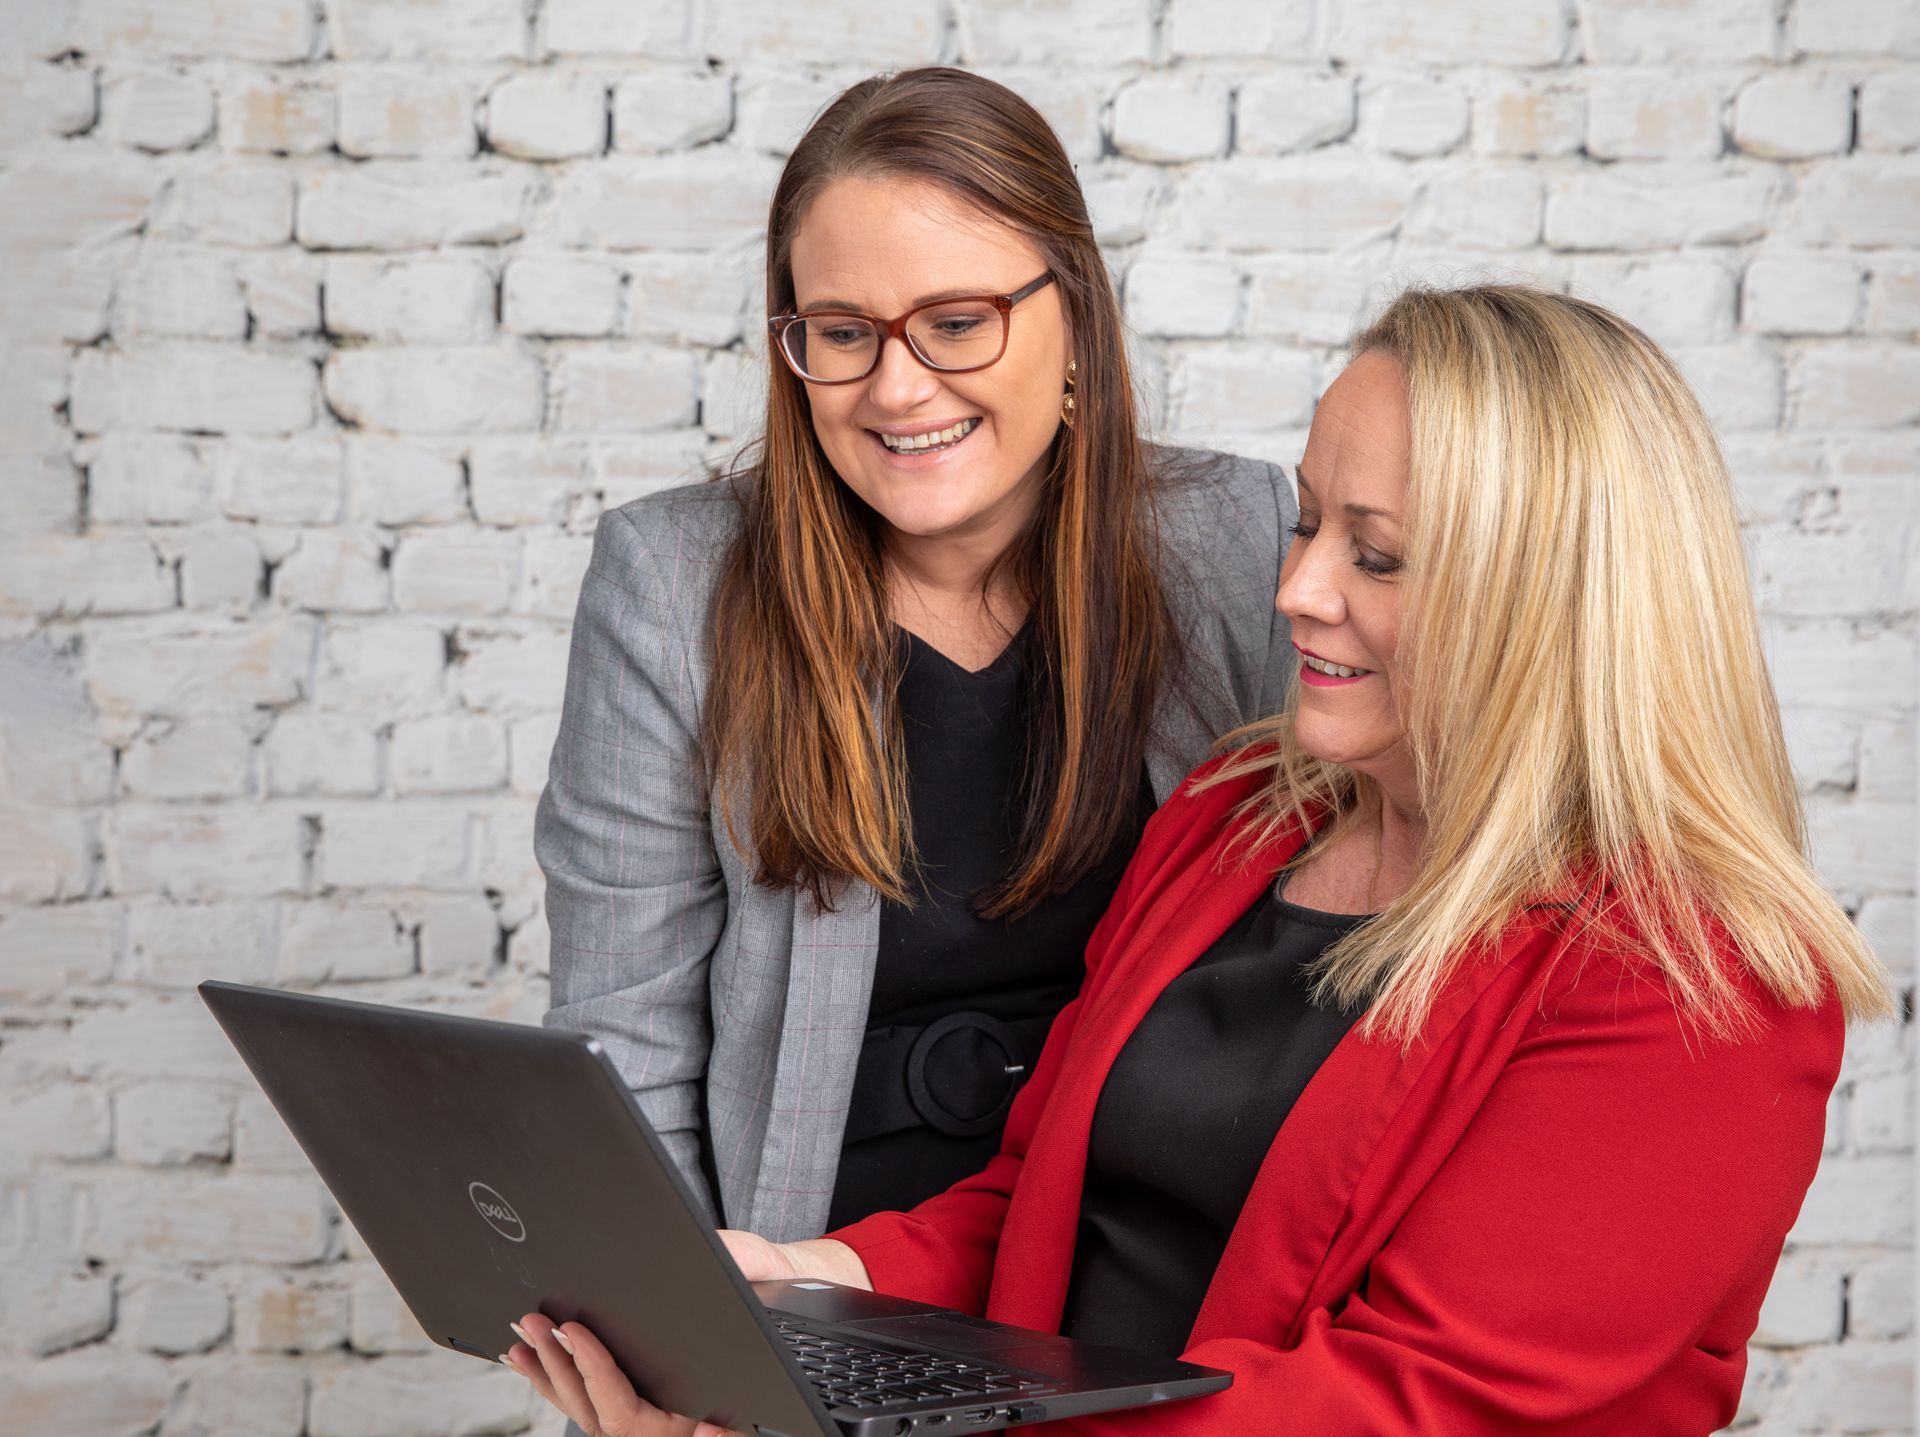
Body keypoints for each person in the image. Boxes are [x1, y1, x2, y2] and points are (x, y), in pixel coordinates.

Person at [508, 284, 1891, 1436]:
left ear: (1556, 597)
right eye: (1306, 520)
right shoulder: (1240, 817)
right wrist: (810, 1277)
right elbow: (1039, 1197)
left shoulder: (1692, 973)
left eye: (1381, 554)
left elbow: (1415, 1402)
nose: (1297, 590)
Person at [534, 66, 1295, 1248]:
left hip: (1156, 1271)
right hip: (804, 1284)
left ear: (1078, 317)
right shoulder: (672, 586)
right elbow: (619, 1044)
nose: (895, 387)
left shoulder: (1243, 540)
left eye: (954, 323)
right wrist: (696, 1359)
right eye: (841, 332)